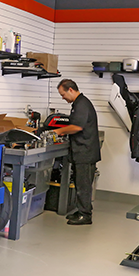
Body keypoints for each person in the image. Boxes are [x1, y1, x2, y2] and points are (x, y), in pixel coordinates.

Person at [53, 79, 101, 225]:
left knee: (83, 185)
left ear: (71, 90)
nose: (63, 98)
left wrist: (59, 131)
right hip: (82, 151)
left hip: (85, 152)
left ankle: (85, 216)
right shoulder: (79, 103)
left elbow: (77, 127)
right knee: (81, 184)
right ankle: (82, 210)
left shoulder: (81, 104)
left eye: (63, 94)